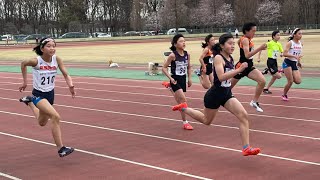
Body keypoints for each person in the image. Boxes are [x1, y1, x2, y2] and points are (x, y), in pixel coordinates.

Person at [171, 34, 261, 156]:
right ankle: (184, 108)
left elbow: (228, 77)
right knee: (206, 120)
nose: (233, 46)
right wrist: (239, 70)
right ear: (222, 45)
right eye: (230, 43)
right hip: (214, 95)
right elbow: (221, 77)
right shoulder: (218, 58)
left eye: (234, 43)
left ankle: (246, 148)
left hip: (226, 94)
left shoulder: (230, 58)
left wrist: (238, 70)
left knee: (243, 116)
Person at [19, 38, 75, 157]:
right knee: (55, 117)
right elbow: (23, 63)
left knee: (42, 122)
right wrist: (25, 82)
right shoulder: (36, 61)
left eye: (54, 46)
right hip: (38, 94)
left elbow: (66, 74)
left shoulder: (57, 59)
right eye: (49, 46)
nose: (52, 48)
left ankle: (29, 102)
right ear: (42, 48)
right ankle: (61, 148)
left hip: (50, 94)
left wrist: (70, 85)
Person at [231, 22, 267, 113]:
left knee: (262, 81)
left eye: (255, 31)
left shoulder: (248, 39)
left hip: (249, 66)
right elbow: (247, 55)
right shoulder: (245, 40)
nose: (254, 33)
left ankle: (254, 102)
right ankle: (216, 98)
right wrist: (260, 48)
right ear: (246, 31)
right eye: (253, 31)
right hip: (241, 67)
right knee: (227, 88)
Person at [162, 34, 193, 130]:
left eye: (184, 41)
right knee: (183, 100)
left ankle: (184, 122)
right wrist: (170, 78)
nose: (183, 43)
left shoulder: (187, 54)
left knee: (179, 101)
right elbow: (164, 68)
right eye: (181, 41)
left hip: (183, 79)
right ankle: (186, 122)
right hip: (175, 79)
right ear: (175, 44)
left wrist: (190, 78)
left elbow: (189, 67)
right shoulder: (173, 55)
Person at [281, 28, 303, 101]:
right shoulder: (290, 43)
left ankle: (286, 72)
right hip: (287, 62)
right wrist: (294, 56)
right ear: (294, 35)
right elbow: (284, 54)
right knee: (290, 81)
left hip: (294, 63)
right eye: (299, 34)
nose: (301, 35)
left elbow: (298, 55)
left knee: (298, 81)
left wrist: (299, 62)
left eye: (301, 34)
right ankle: (284, 94)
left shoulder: (300, 43)